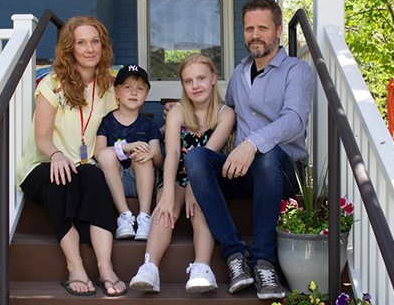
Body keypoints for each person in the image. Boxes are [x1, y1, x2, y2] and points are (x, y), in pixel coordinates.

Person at [184, 0, 315, 300]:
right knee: (197, 157)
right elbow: (224, 111)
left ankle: (264, 261)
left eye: (263, 28)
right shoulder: (239, 73)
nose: (255, 35)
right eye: (249, 29)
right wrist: (179, 115)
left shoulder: (296, 71)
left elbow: (294, 121)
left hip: (284, 172)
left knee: (267, 154)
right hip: (242, 172)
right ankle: (234, 257)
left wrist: (252, 143)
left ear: (279, 31)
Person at [15, 15, 127, 297]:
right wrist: (56, 155)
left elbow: (129, 116)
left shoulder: (109, 87)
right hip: (44, 165)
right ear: (69, 48)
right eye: (81, 43)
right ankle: (75, 265)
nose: (90, 49)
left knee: (94, 176)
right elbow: (42, 136)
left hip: (84, 166)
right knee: (62, 177)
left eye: (95, 42)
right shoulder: (52, 85)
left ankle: (105, 268)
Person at [130, 54, 236, 293]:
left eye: (201, 78)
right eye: (188, 81)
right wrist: (167, 192)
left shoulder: (225, 114)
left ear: (213, 79)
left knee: (200, 208)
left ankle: (201, 268)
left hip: (207, 176)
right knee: (164, 210)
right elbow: (173, 153)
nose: (195, 85)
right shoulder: (177, 111)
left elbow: (208, 154)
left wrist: (194, 188)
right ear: (183, 85)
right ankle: (150, 267)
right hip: (176, 172)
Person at [94, 65, 163, 241]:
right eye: (127, 87)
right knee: (107, 154)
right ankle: (124, 216)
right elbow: (98, 152)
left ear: (146, 95)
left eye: (140, 88)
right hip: (113, 179)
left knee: (143, 155)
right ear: (116, 92)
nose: (134, 92)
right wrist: (125, 146)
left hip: (139, 179)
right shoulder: (107, 121)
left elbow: (159, 160)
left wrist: (151, 151)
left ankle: (144, 217)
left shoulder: (149, 124)